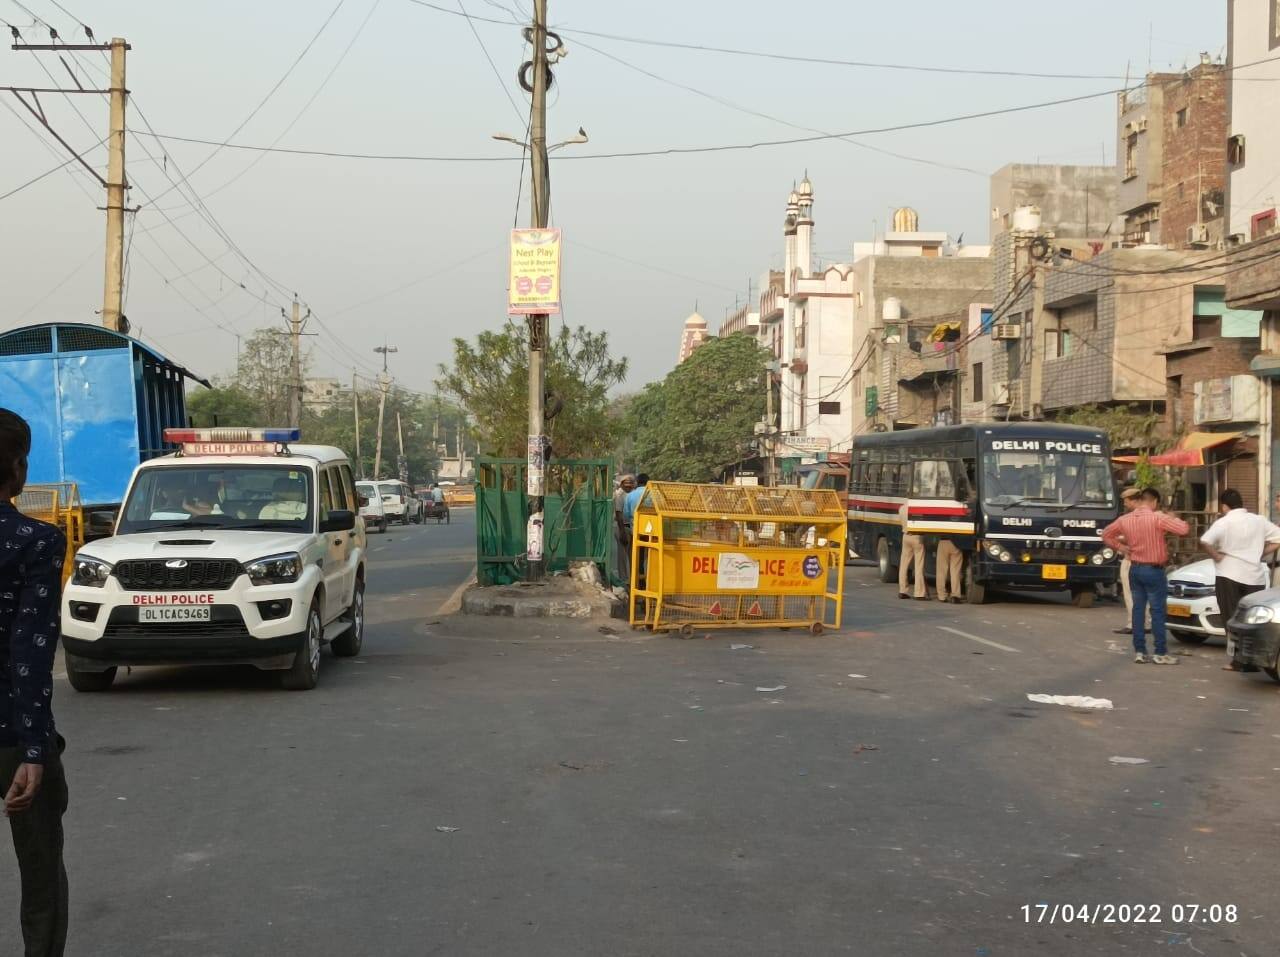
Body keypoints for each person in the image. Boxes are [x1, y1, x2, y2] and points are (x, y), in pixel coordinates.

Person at [0, 408, 70, 956]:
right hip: (11, 737)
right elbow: (30, 651)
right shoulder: (35, 540)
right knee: (40, 873)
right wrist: (32, 749)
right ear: (19, 469)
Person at [1101, 487, 1190, 665]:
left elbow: (1106, 534)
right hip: (1154, 569)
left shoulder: (1125, 519)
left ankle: (1140, 651)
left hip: (1135, 568)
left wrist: (1121, 548)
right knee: (1157, 611)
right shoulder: (1158, 518)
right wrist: (1173, 517)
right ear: (1153, 501)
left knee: (1137, 610)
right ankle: (1160, 652)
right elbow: (1183, 530)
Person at [1200, 488, 1280, 672]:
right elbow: (1278, 537)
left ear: (1224, 505)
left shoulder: (1224, 522)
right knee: (1253, 619)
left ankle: (1238, 661)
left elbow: (1205, 541)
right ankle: (1252, 661)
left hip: (1229, 574)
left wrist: (1216, 556)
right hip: (1254, 576)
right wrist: (1261, 552)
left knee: (1232, 618)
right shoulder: (1259, 521)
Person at [1111, 487, 1147, 636]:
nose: (1125, 505)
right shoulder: (1151, 516)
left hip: (1131, 559)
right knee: (1144, 594)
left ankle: (1134, 624)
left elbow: (1128, 537)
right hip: (1147, 561)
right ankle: (1145, 623)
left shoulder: (1131, 518)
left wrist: (1119, 541)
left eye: (1126, 501)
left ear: (1134, 500)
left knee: (1131, 593)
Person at [897, 501, 927, 601]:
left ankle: (902, 590)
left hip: (905, 536)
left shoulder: (901, 508)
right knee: (918, 565)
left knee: (904, 564)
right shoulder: (918, 509)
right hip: (917, 537)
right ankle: (919, 593)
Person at [613, 474, 636, 586]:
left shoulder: (633, 494)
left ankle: (632, 579)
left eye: (630, 483)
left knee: (633, 554)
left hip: (632, 527)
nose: (628, 485)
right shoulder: (619, 495)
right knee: (622, 555)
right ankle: (623, 579)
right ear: (622, 484)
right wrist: (622, 531)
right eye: (626, 483)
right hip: (622, 526)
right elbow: (618, 513)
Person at [935, 537, 963, 604]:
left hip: (943, 541)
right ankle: (955, 595)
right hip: (957, 542)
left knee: (941, 571)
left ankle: (942, 596)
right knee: (955, 571)